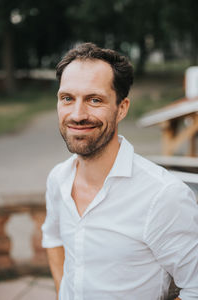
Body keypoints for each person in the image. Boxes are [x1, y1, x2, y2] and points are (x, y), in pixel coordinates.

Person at [41, 43, 198, 300]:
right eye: (67, 98)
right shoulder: (58, 178)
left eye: (94, 100)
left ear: (122, 108)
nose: (77, 114)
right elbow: (52, 237)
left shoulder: (163, 196)